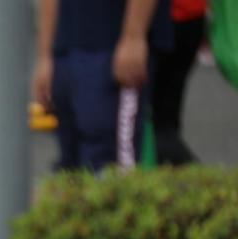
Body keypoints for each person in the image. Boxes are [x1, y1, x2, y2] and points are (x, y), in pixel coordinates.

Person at [33, 0, 174, 171]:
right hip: (67, 46)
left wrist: (133, 37)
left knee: (109, 164)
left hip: (113, 46)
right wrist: (45, 56)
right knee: (71, 165)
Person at [152, 0, 208, 164]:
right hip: (191, 17)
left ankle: (183, 171)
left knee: (158, 121)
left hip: (160, 21)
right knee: (166, 116)